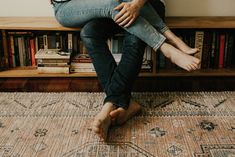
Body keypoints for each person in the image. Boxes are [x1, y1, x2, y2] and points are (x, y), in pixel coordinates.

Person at [50, 0, 200, 140]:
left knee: (134, 35)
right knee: (89, 31)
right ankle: (166, 46)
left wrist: (136, 4)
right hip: (106, 6)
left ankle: (112, 105)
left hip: (146, 7)